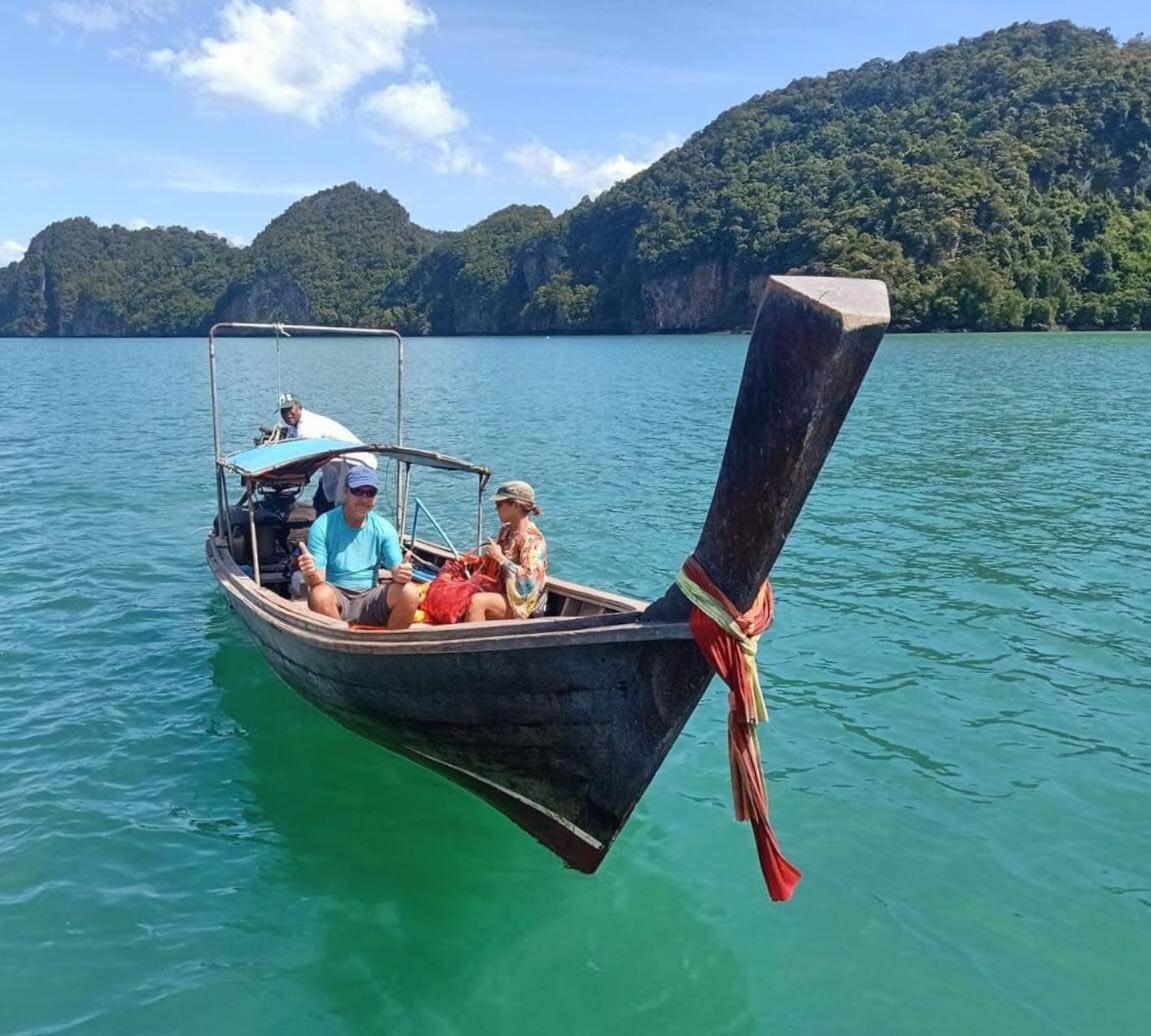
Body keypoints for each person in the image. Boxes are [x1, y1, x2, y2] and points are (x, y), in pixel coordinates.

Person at [297, 465, 420, 630]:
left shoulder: (384, 528)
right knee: (319, 594)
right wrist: (310, 573)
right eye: (358, 491)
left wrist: (402, 574)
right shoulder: (323, 525)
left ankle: (390, 647)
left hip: (370, 597)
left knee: (410, 591)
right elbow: (317, 581)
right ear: (346, 491)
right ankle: (341, 644)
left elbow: (397, 571)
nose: (364, 498)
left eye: (370, 493)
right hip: (336, 597)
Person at [278, 392, 377, 515]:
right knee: (321, 501)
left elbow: (308, 458)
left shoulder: (307, 428)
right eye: (283, 411)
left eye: (290, 409)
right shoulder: (296, 425)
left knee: (346, 507)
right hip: (336, 467)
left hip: (356, 465)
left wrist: (296, 476)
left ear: (300, 407)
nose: (287, 414)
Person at [465, 480, 548, 622]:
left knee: (477, 601)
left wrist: (501, 559)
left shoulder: (533, 540)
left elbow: (531, 581)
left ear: (515, 505)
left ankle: (474, 643)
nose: (496, 509)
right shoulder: (505, 532)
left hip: (521, 602)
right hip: (501, 592)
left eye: (499, 504)